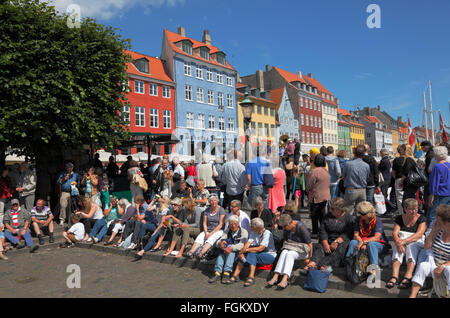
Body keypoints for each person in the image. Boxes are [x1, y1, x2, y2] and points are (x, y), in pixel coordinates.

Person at [409, 204, 450, 298]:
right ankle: (412, 295)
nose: (436, 222)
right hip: (434, 264)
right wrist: (433, 232)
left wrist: (443, 266)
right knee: (423, 266)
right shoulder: (439, 231)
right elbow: (427, 247)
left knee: (449, 270)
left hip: (447, 265)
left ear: (447, 222)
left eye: (439, 220)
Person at [304, 197, 354, 272]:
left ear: (340, 210)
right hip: (327, 239)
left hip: (341, 242)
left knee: (341, 249)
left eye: (333, 209)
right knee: (320, 247)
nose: (331, 210)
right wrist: (325, 243)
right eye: (331, 208)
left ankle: (323, 264)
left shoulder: (349, 218)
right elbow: (322, 230)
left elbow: (348, 233)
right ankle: (312, 263)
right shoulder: (327, 216)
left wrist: (336, 241)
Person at [386, 198, 427, 289]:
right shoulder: (400, 218)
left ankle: (408, 275)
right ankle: (394, 276)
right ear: (405, 209)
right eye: (411, 209)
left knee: (411, 247)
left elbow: (419, 234)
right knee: (397, 248)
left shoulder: (422, 218)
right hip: (402, 240)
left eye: (416, 209)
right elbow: (395, 233)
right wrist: (398, 242)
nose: (414, 211)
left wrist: (404, 241)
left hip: (416, 241)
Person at [226, 218, 277, 287]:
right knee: (249, 253)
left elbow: (260, 248)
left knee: (251, 253)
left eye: (252, 226)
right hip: (257, 254)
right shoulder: (254, 232)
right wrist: (241, 253)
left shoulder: (267, 233)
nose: (250, 227)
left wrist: (246, 250)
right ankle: (235, 275)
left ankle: (251, 276)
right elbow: (247, 243)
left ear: (258, 227)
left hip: (269, 255)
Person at [267, 214, 312, 289]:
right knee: (284, 252)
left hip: (303, 250)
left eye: (284, 227)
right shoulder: (287, 228)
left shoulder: (300, 227)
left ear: (289, 224)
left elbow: (310, 244)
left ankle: (285, 279)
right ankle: (276, 276)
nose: (284, 229)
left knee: (290, 254)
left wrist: (309, 258)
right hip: (292, 247)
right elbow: (285, 240)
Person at [345, 201, 389, 271]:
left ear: (369, 213)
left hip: (379, 244)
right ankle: (349, 264)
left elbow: (377, 237)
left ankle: (374, 268)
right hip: (363, 241)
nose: (360, 215)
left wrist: (363, 242)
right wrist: (361, 242)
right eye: (359, 213)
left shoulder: (377, 221)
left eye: (362, 213)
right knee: (353, 242)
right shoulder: (358, 219)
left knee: (371, 245)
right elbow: (356, 234)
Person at [209, 215, 249, 284]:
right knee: (222, 252)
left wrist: (230, 247)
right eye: (231, 224)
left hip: (238, 253)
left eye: (235, 224)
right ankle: (218, 273)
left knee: (231, 251)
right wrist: (220, 244)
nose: (233, 226)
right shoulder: (227, 231)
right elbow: (220, 240)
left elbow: (241, 245)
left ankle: (226, 273)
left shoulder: (244, 232)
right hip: (226, 250)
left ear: (238, 224)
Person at [185, 194, 226, 259]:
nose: (213, 202)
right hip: (208, 229)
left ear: (217, 201)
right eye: (211, 201)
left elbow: (220, 224)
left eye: (215, 200)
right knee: (200, 237)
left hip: (218, 230)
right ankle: (191, 252)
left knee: (211, 238)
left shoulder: (221, 210)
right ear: (209, 202)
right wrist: (206, 232)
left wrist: (210, 234)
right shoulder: (207, 210)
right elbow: (204, 223)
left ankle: (201, 253)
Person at [306, 154, 330, 237]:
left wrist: (307, 190)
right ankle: (323, 231)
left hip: (315, 196)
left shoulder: (314, 172)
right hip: (325, 196)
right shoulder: (326, 171)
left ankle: (315, 231)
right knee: (322, 215)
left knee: (314, 215)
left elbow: (309, 184)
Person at [342, 145, 370, 215]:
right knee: (360, 211)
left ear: (354, 153)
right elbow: (367, 177)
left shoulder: (348, 164)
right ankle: (359, 225)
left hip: (351, 189)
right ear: (363, 154)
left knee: (348, 209)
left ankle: (349, 224)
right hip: (362, 190)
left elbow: (343, 176)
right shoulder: (366, 165)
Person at [427, 146, 450, 227]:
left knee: (434, 214)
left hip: (440, 193)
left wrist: (431, 195)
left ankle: (431, 232)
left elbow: (435, 182)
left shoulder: (437, 166)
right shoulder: (449, 165)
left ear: (437, 155)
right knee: (447, 214)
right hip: (448, 192)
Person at [395, 144, 419, 212]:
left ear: (405, 150)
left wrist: (401, 180)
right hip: (411, 184)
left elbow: (406, 171)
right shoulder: (411, 159)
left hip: (410, 184)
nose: (400, 151)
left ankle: (413, 216)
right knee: (409, 201)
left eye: (402, 149)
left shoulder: (408, 159)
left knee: (407, 203)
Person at [378, 149, 395, 214]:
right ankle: (387, 210)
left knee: (383, 195)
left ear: (382, 153)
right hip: (387, 178)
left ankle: (391, 206)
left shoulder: (383, 160)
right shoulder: (387, 160)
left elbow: (379, 168)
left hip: (384, 179)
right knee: (384, 194)